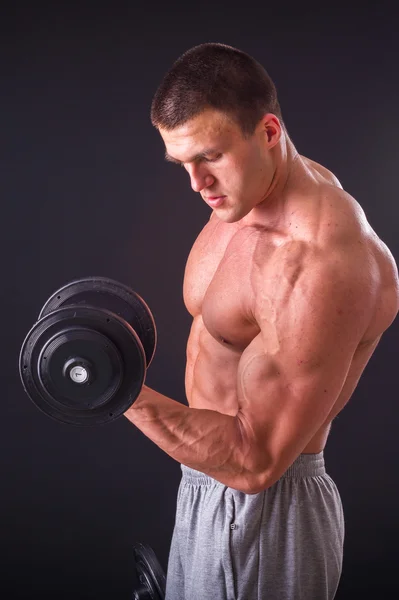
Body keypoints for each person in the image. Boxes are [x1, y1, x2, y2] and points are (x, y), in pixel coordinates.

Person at [124, 43, 399, 599]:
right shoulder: (245, 197)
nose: (197, 183)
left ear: (268, 132)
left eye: (210, 156)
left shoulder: (317, 260)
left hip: (263, 519)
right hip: (204, 488)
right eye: (183, 165)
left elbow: (255, 462)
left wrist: (117, 391)